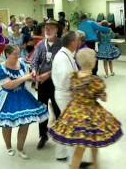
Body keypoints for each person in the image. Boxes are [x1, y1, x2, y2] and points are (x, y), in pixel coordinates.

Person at [49, 49, 123, 169]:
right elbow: (103, 98)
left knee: (91, 143)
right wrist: (102, 95)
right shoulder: (95, 81)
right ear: (93, 62)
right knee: (84, 146)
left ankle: (96, 164)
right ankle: (78, 166)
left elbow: (73, 92)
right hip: (89, 114)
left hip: (74, 111)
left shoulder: (73, 76)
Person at [0, 45, 49, 159]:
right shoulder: (1, 69)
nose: (18, 56)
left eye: (18, 53)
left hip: (23, 96)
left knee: (25, 123)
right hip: (8, 97)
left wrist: (37, 77)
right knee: (7, 124)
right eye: (15, 54)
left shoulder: (23, 65)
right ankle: (9, 147)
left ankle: (20, 148)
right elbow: (9, 85)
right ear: (7, 54)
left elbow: (29, 78)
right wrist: (26, 77)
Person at [31, 19, 62, 150]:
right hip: (42, 83)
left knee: (57, 108)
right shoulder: (40, 45)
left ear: (56, 30)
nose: (47, 30)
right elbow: (35, 61)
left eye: (50, 28)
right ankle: (43, 135)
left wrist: (48, 74)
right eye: (46, 28)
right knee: (42, 109)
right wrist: (33, 70)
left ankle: (61, 134)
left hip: (57, 82)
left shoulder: (62, 45)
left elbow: (62, 65)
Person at [51, 31, 79, 161]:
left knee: (64, 123)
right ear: (72, 42)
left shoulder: (66, 55)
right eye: (77, 40)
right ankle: (74, 159)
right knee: (72, 125)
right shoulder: (62, 57)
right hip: (65, 94)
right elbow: (65, 78)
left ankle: (60, 153)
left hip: (65, 93)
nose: (79, 43)